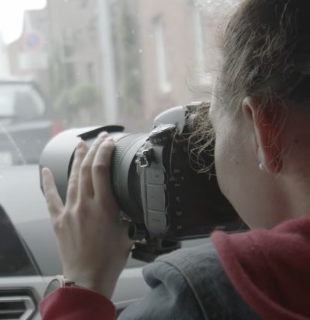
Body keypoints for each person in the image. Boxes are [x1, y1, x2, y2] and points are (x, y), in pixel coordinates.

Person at [39, 0, 310, 319]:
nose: (210, 157)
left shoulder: (209, 294)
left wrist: (81, 283)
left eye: (213, 132)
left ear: (268, 132)